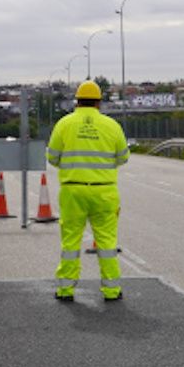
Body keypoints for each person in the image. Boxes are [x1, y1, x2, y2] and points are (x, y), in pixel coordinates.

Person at [46, 80, 129, 300]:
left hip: (73, 192)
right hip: (104, 192)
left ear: (77, 101)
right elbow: (123, 157)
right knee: (107, 244)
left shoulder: (64, 124)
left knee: (71, 242)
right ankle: (112, 290)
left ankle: (65, 289)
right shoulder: (112, 126)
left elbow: (52, 157)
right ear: (99, 102)